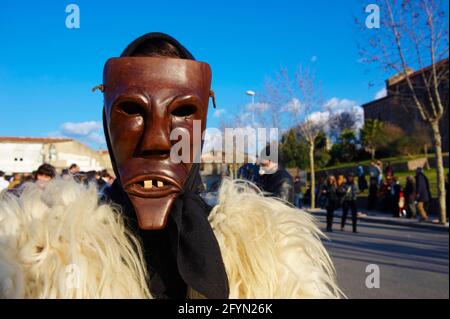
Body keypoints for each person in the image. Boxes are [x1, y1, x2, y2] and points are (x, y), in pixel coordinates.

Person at [0, 33, 339, 299]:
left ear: (202, 128)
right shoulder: (34, 258)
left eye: (182, 111)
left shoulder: (273, 256)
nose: (157, 140)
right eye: (132, 110)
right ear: (106, 122)